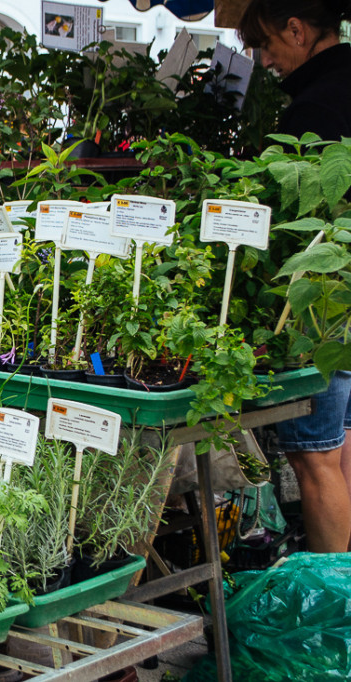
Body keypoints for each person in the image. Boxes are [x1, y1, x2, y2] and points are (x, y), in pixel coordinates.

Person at [239, 0, 351, 553]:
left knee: (315, 458)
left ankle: (332, 606)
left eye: (267, 45)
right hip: (343, 297)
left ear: (297, 29)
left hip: (322, 303)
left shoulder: (313, 108)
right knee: (343, 445)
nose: (266, 60)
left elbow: (291, 219)